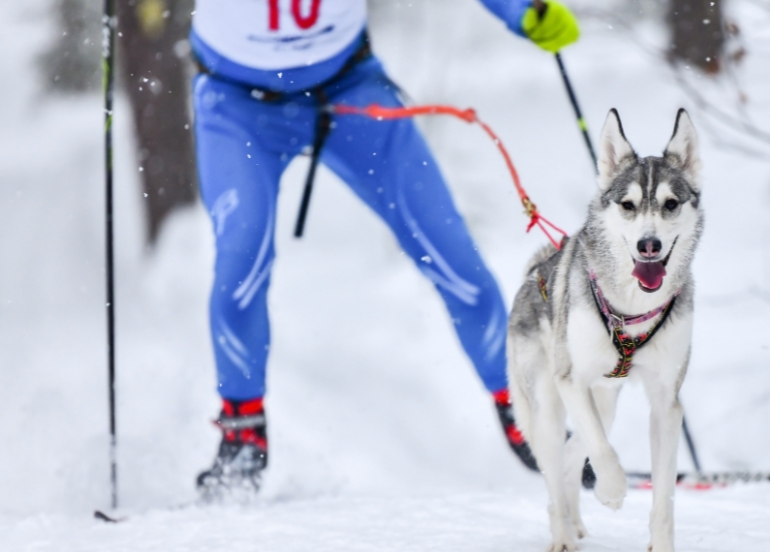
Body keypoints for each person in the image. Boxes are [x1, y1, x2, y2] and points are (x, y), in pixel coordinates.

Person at [190, 0, 580, 495]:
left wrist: (522, 9)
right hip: (237, 105)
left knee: (454, 259)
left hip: (348, 88)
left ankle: (525, 409)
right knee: (240, 264)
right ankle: (241, 434)